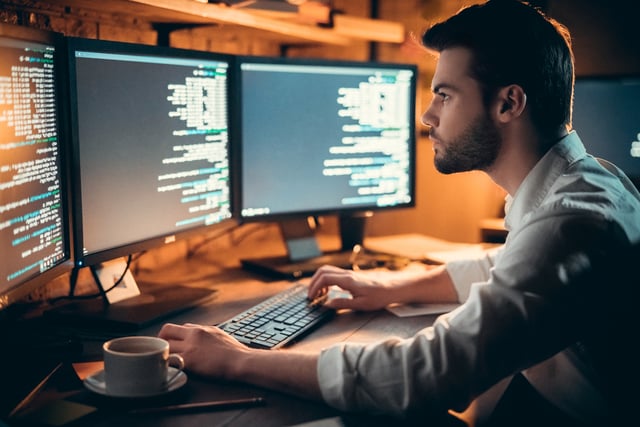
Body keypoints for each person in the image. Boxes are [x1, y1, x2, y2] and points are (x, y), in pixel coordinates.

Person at [158, 1, 640, 425]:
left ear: (509, 103)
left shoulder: (573, 221)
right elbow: (510, 266)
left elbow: (421, 377)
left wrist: (236, 360)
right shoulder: (584, 183)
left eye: (445, 95)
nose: (428, 116)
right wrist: (389, 286)